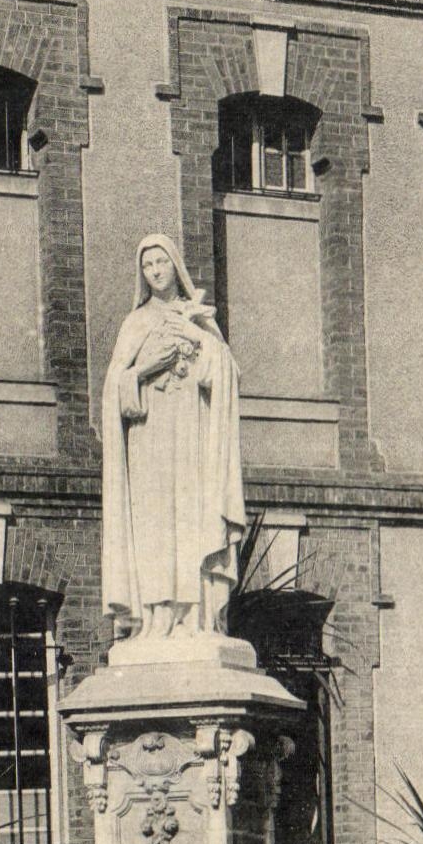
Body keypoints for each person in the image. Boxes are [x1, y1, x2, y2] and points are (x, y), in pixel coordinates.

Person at [102, 233, 245, 639]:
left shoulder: (196, 315)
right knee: (155, 526)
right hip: (149, 441)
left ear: (175, 265)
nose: (155, 272)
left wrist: (195, 332)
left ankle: (194, 616)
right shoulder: (137, 321)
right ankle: (158, 615)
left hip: (191, 438)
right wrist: (145, 369)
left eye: (161, 262)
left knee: (192, 519)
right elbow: (115, 389)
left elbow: (225, 375)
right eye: (147, 266)